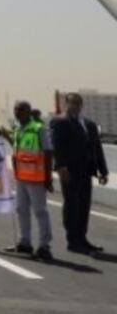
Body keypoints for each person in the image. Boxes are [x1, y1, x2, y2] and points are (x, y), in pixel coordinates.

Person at [52, 92, 109, 254]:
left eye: (78, 103)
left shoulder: (89, 124)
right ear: (66, 104)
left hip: (86, 171)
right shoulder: (60, 122)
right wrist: (61, 167)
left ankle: (82, 239)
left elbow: (97, 149)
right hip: (69, 172)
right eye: (72, 103)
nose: (75, 106)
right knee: (72, 206)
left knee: (84, 206)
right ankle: (73, 241)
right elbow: (58, 147)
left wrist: (102, 171)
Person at [0, 100, 53, 261]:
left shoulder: (38, 129)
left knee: (40, 212)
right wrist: (5, 135)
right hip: (22, 178)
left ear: (29, 112)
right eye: (16, 110)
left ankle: (44, 246)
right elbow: (17, 149)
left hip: (36, 178)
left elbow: (48, 152)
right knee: (21, 210)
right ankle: (25, 242)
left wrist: (48, 178)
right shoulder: (18, 130)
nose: (17, 113)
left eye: (21, 110)